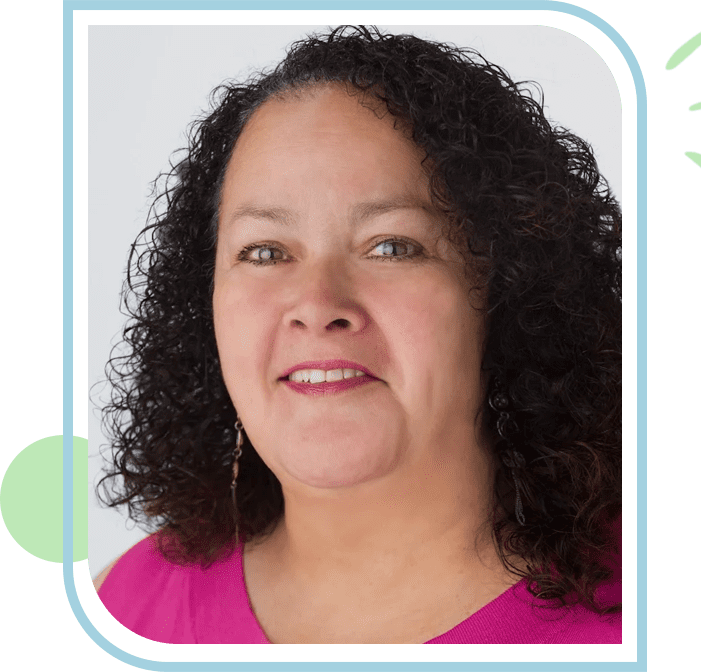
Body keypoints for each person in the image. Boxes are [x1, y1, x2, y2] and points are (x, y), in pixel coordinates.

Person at [93, 25, 622, 644]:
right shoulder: (115, 614)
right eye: (264, 252)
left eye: (392, 246)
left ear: (507, 292)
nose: (318, 305)